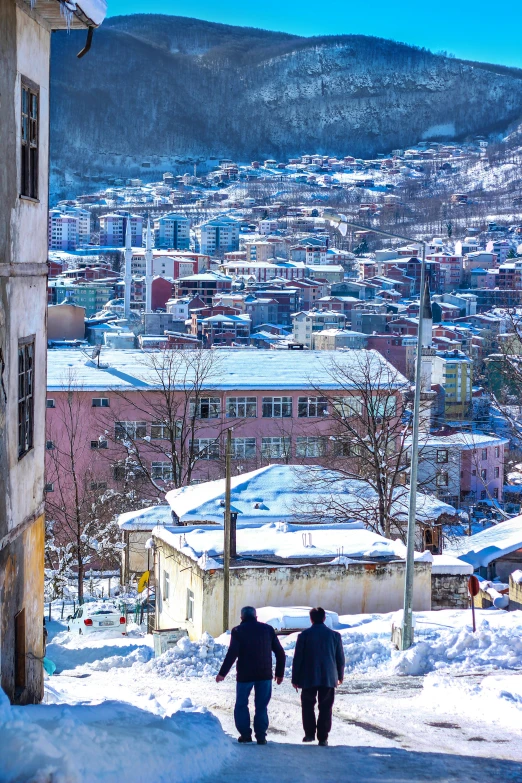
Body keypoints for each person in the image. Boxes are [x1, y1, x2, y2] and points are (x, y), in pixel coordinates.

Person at [216, 606, 286, 745]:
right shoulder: (268, 630)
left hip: (245, 675)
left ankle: (245, 735)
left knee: (241, 704)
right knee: (261, 706)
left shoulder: (238, 631)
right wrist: (279, 673)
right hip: (264, 675)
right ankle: (261, 736)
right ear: (256, 617)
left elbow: (232, 654)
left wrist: (222, 673)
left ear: (242, 618)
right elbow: (280, 653)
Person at [291, 607, 345, 747]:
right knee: (326, 707)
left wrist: (295, 678)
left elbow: (298, 659)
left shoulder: (303, 636)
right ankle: (323, 737)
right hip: (328, 677)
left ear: (311, 619)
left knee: (308, 705)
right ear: (324, 618)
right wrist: (340, 675)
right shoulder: (334, 636)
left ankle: (309, 734)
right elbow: (340, 658)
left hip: (308, 677)